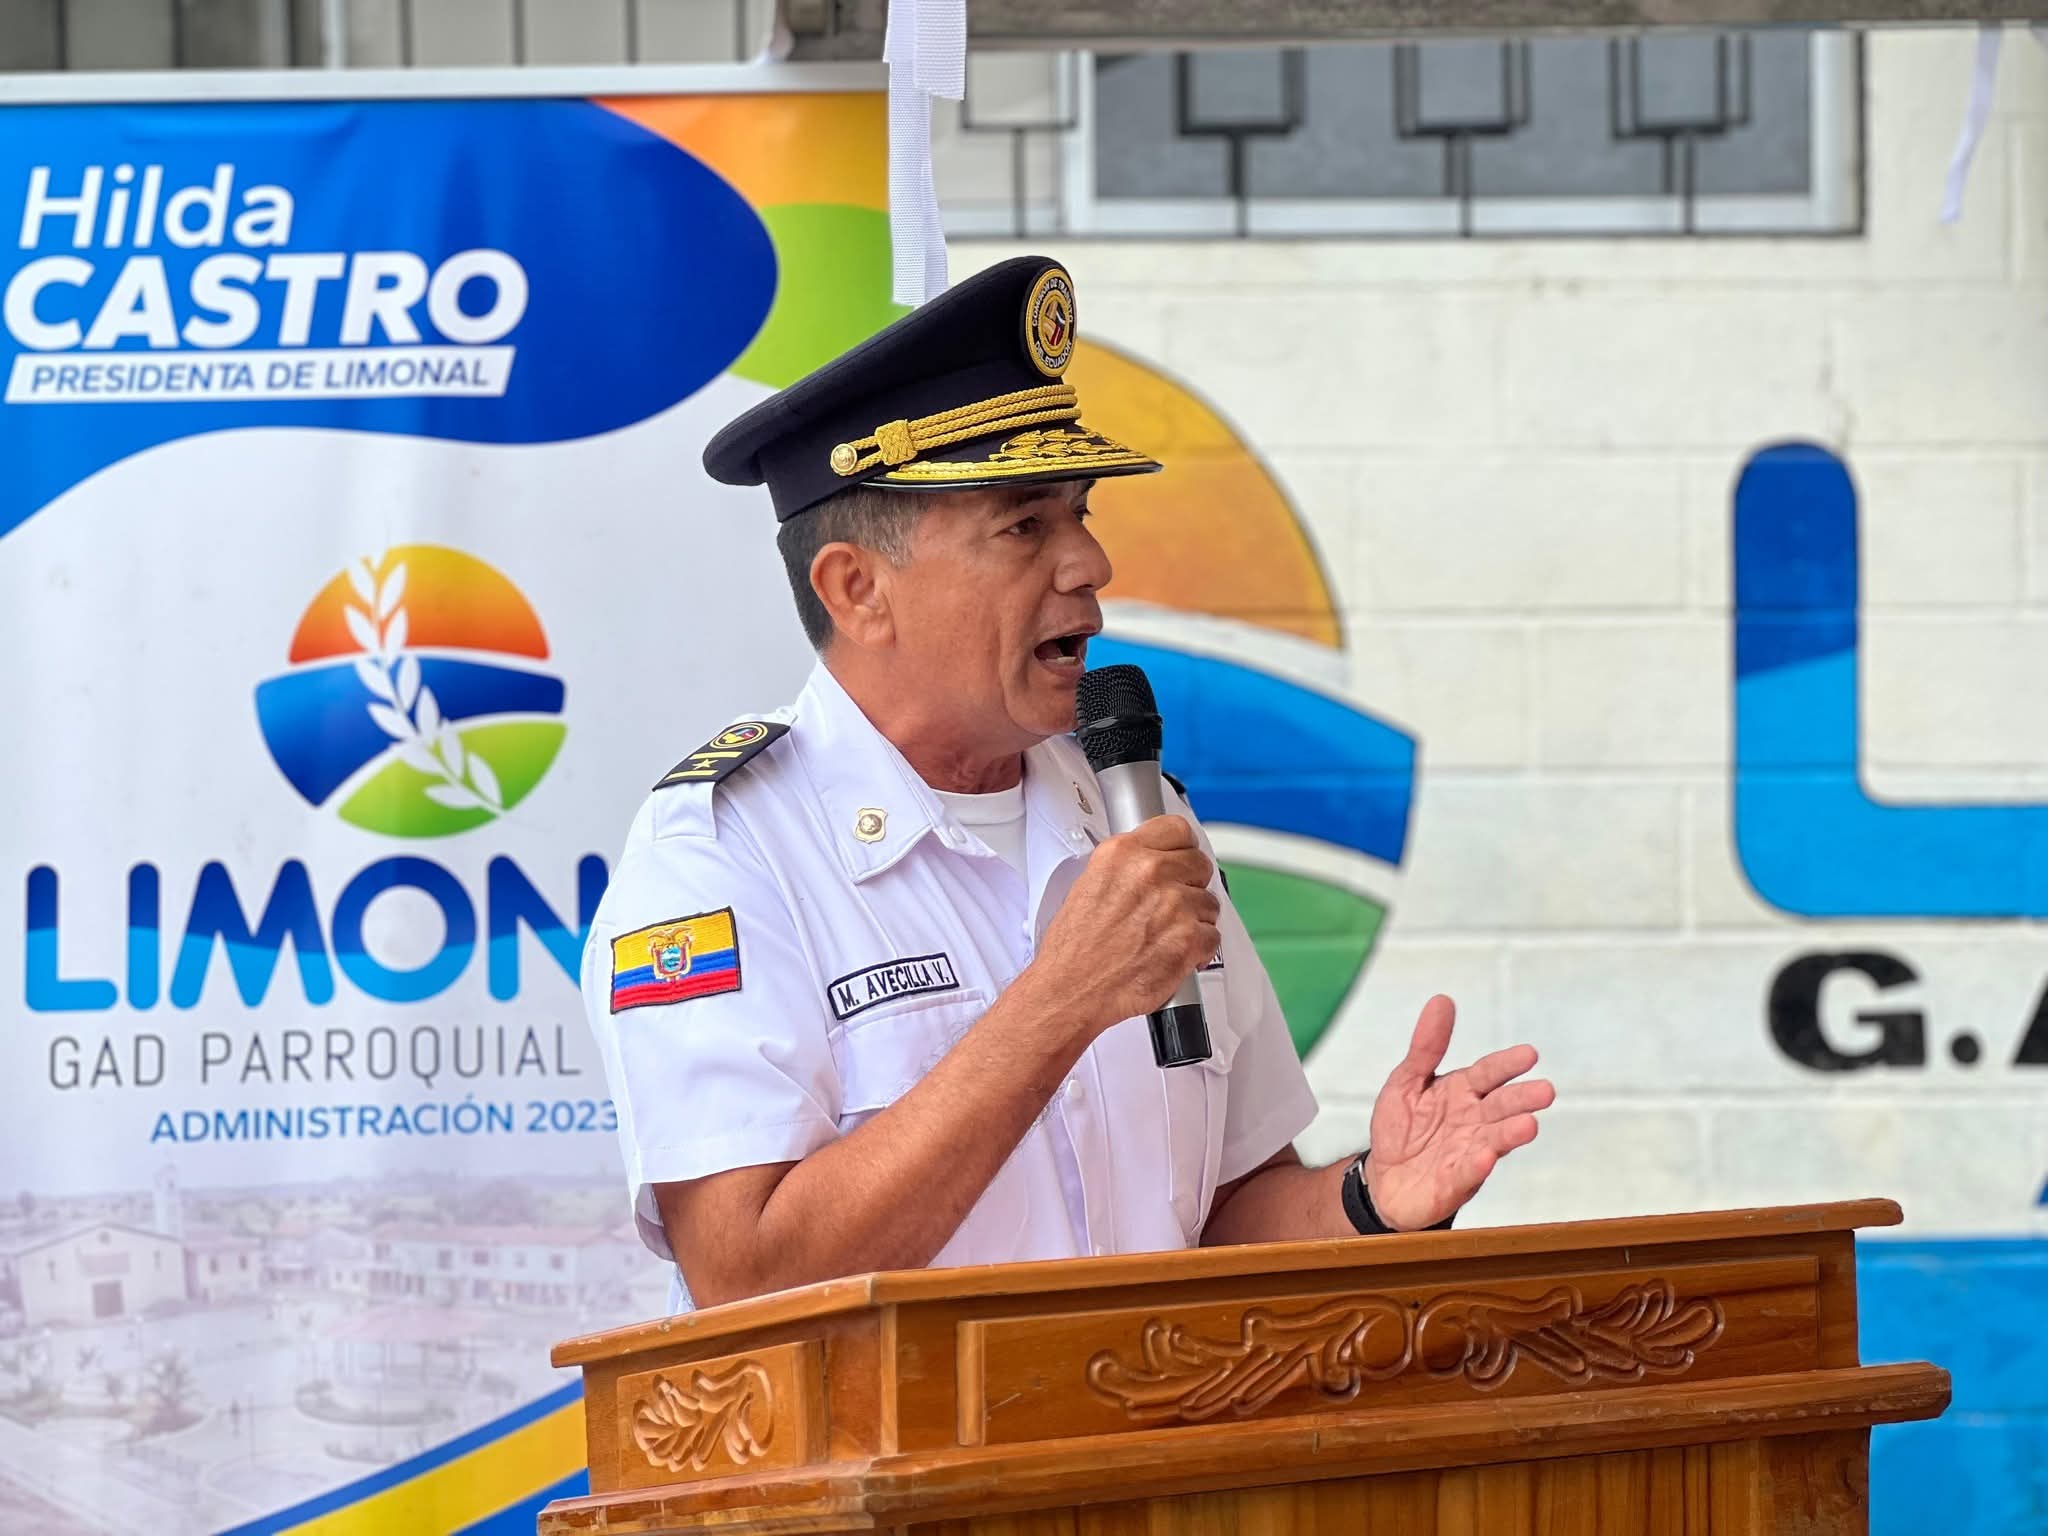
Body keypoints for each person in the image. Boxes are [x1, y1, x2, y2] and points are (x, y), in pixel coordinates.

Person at [580, 257, 1553, 1311]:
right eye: (1023, 525)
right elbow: (746, 1274)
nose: (1090, 563)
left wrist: (1370, 1198)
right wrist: (1060, 1000)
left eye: (1081, 514)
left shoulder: (1136, 813)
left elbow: (1225, 1211)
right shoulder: (722, 856)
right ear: (857, 590)